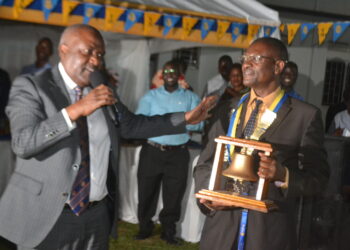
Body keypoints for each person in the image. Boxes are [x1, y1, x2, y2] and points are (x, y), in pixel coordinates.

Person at [0, 24, 215, 250]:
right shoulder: (32, 86)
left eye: (100, 54)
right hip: (48, 216)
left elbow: (132, 125)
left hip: (96, 214)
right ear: (64, 49)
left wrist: (186, 118)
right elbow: (23, 143)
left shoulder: (100, 89)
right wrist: (75, 110)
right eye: (88, 52)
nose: (95, 61)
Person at [194, 37, 329, 250]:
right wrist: (208, 196)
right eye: (244, 58)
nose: (246, 64)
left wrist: (283, 174)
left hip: (267, 234)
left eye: (255, 58)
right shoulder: (227, 109)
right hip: (220, 230)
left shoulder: (305, 116)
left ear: (278, 66)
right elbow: (204, 163)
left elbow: (318, 179)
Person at [134, 60, 203, 245]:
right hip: (152, 151)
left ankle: (169, 231)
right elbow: (140, 122)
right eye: (167, 71)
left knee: (174, 194)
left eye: (174, 70)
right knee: (146, 192)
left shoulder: (190, 97)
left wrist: (189, 120)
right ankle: (144, 227)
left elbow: (201, 122)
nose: (170, 73)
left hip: (178, 154)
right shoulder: (151, 96)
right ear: (162, 75)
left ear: (180, 74)